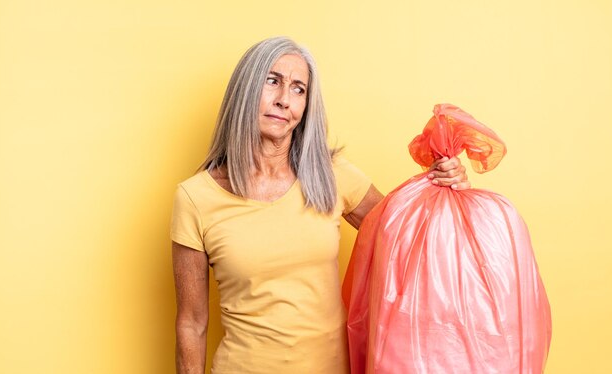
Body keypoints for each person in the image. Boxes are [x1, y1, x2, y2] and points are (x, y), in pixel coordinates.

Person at [170, 36, 469, 374]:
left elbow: (411, 238)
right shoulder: (196, 198)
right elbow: (191, 325)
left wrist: (444, 183)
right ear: (245, 90)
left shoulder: (332, 176)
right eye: (272, 81)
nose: (284, 100)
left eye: (299, 89)